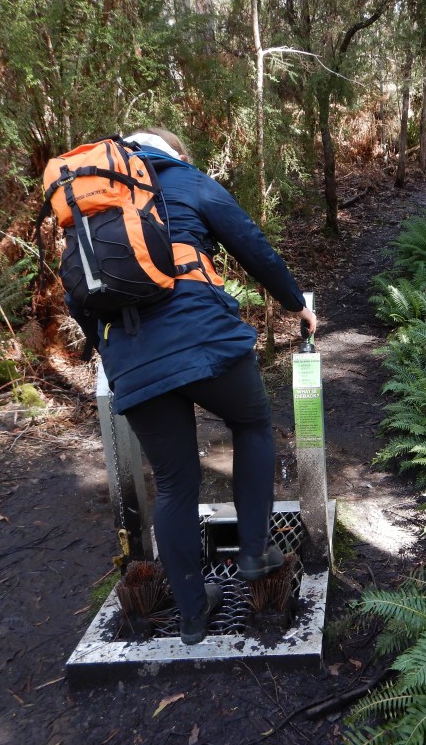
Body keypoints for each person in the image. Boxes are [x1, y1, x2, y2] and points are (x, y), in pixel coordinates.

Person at [89, 127, 317, 645]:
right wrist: (295, 304)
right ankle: (255, 552)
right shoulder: (186, 179)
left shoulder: (94, 205)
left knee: (174, 483)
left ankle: (192, 614)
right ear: (175, 152)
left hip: (131, 362)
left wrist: (115, 357)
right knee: (251, 424)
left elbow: (80, 296)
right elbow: (251, 244)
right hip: (204, 337)